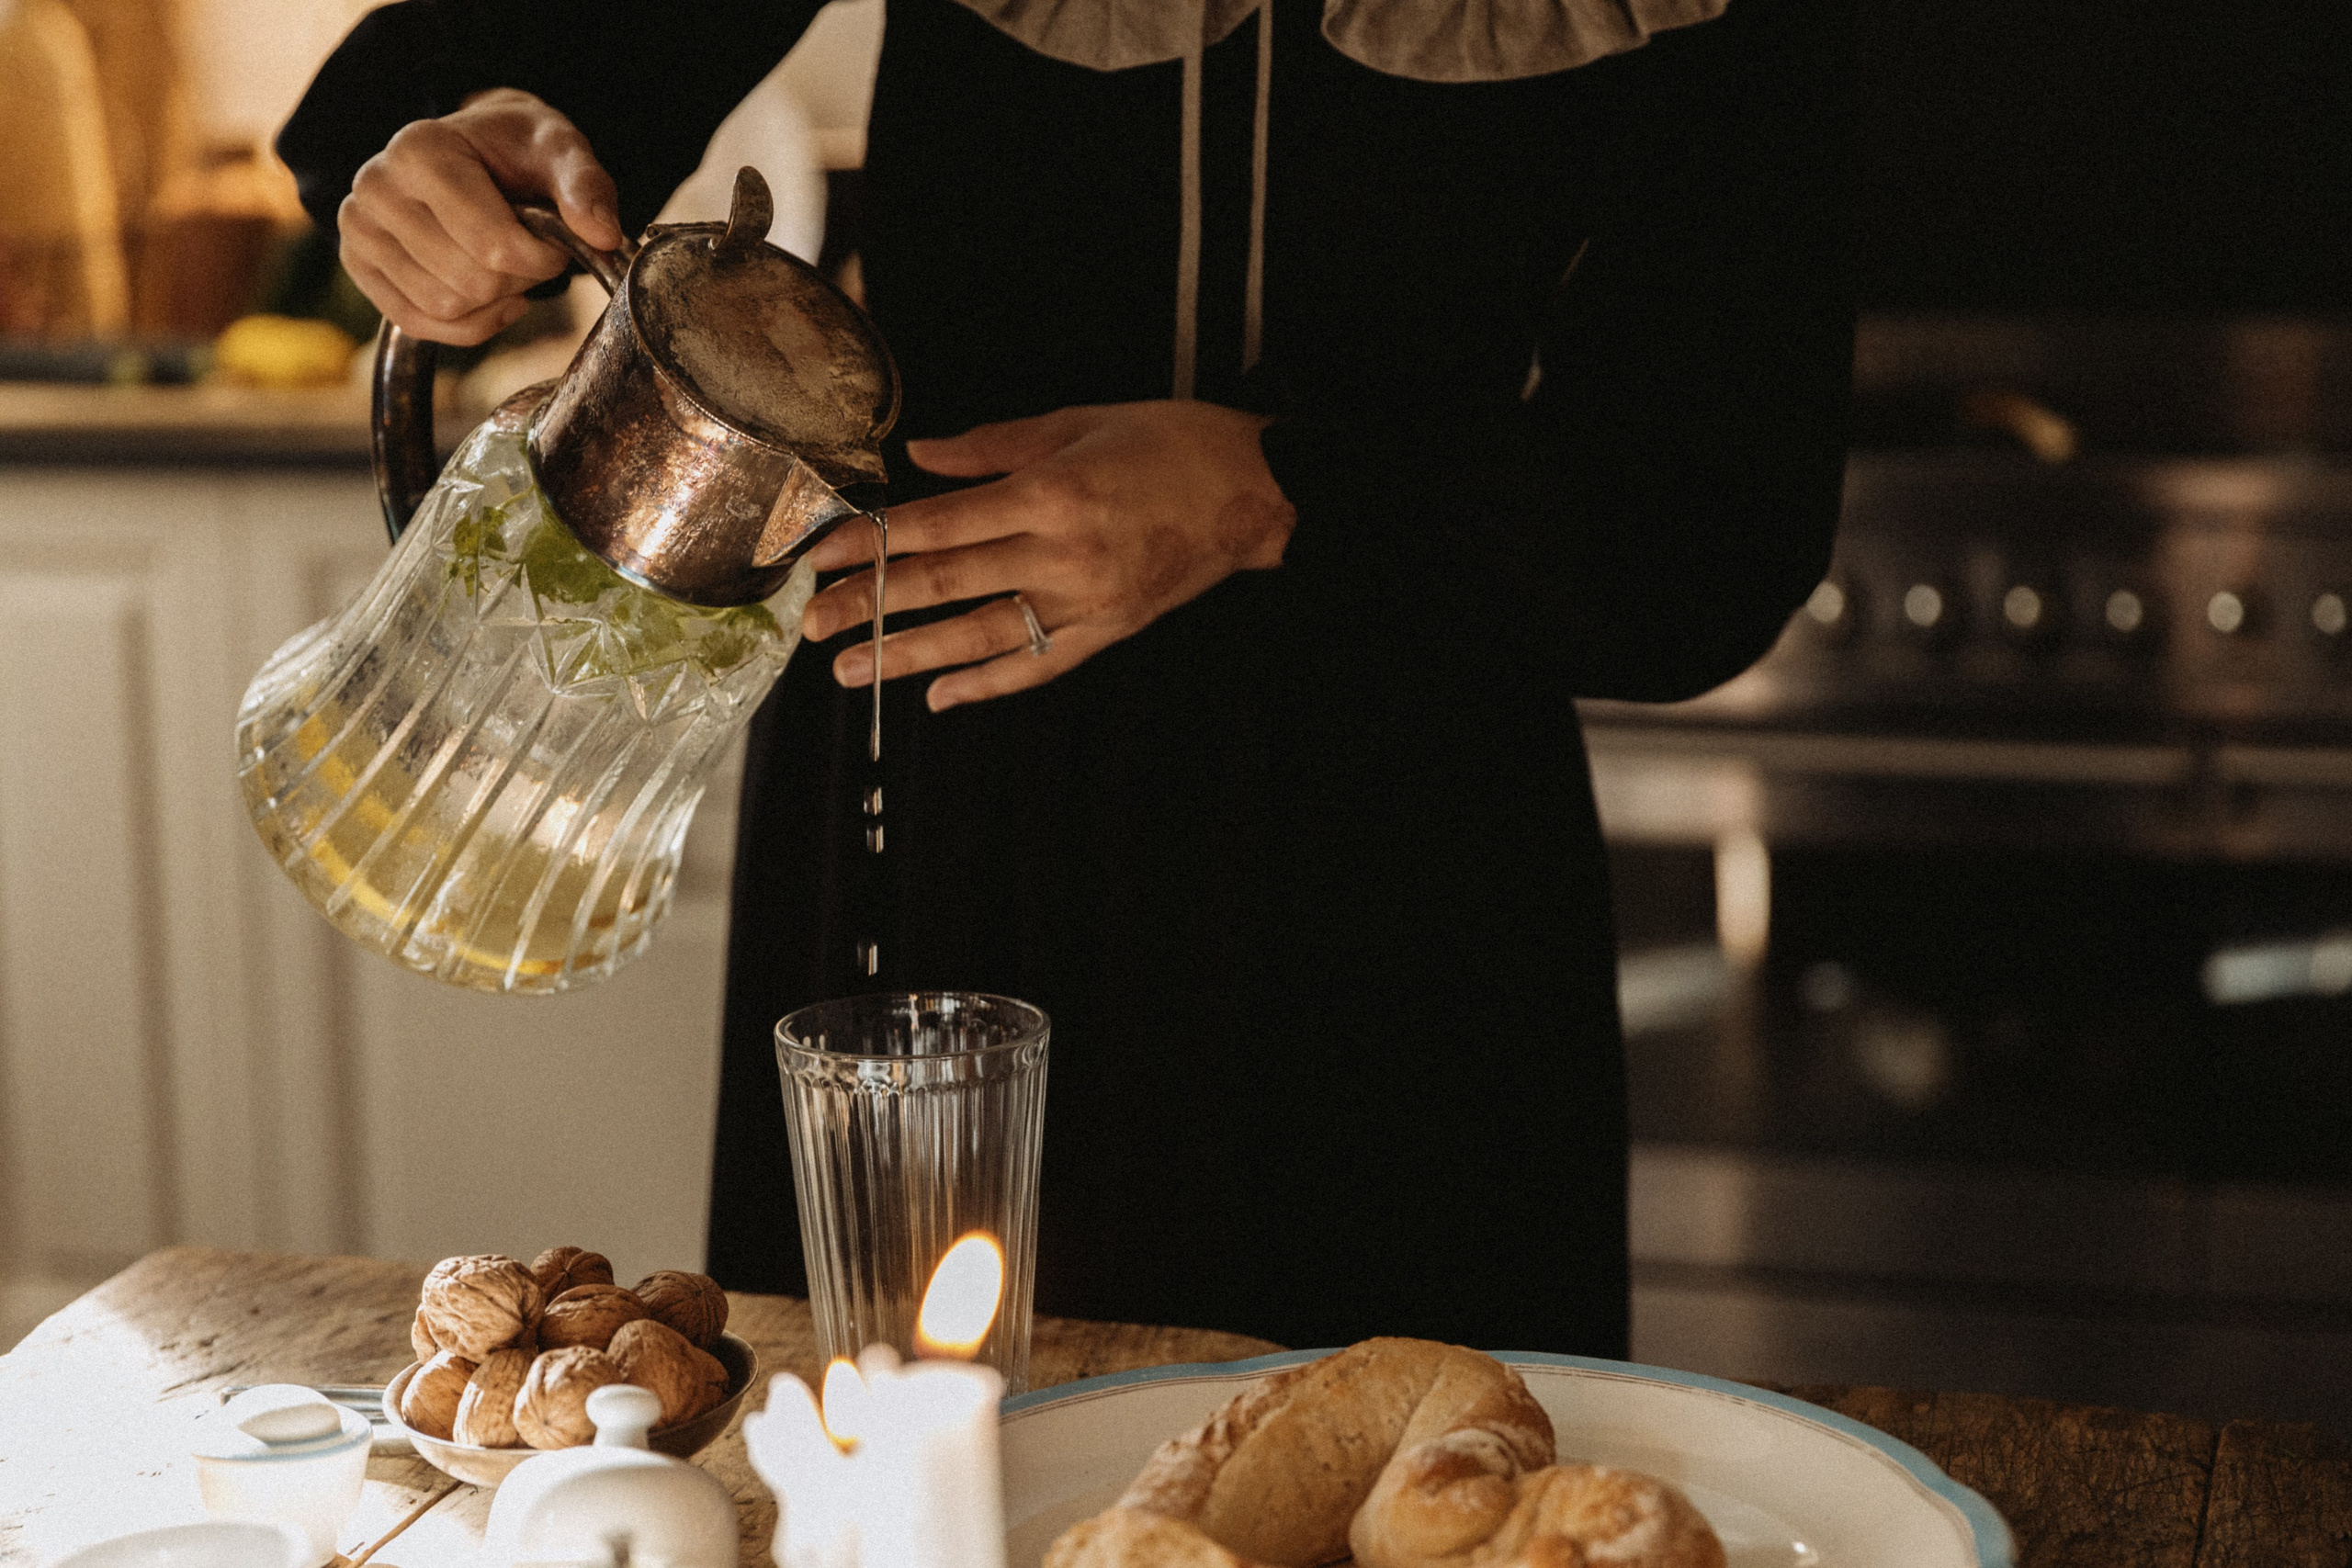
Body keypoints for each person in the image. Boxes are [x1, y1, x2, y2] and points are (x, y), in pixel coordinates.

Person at [279, 0, 1853, 1357]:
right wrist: (475, 156)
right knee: (896, 1480)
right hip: (935, 801)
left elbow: (1711, 539)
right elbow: (457, 81)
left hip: (1400, 866)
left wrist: (1274, 490)